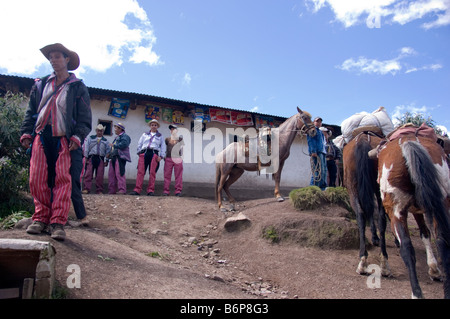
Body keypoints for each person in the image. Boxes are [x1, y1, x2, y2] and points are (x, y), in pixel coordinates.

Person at [20, 43, 91, 241]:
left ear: (67, 59)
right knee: (37, 177)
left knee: (62, 179)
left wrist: (78, 137)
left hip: (64, 139)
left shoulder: (78, 87)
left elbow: (85, 118)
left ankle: (58, 222)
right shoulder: (41, 84)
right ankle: (40, 218)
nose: (53, 60)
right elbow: (31, 110)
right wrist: (26, 132)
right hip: (41, 134)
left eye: (57, 56)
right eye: (50, 57)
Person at [129, 119, 166, 196]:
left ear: (157, 127)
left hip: (154, 153)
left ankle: (150, 190)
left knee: (152, 172)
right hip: (144, 153)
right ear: (150, 126)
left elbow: (163, 146)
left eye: (155, 125)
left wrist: (161, 156)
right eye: (152, 125)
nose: (154, 126)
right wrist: (139, 152)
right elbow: (140, 143)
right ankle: (137, 189)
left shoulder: (160, 136)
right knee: (140, 172)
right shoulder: (145, 134)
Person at [83, 124, 110, 194]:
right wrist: (86, 158)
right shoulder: (91, 138)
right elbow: (87, 148)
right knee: (88, 174)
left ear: (103, 131)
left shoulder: (105, 141)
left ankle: (99, 190)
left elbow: (108, 151)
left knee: (100, 175)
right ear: (96, 131)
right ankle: (86, 188)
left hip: (100, 158)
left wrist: (107, 160)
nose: (99, 132)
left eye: (101, 131)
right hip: (91, 157)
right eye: (98, 131)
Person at [107, 123, 131, 194]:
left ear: (120, 129)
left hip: (120, 157)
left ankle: (122, 189)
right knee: (111, 174)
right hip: (114, 156)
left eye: (116, 128)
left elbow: (124, 144)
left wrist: (115, 145)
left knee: (119, 173)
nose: (115, 130)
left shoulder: (125, 136)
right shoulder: (117, 137)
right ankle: (112, 190)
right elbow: (113, 148)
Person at [163, 124, 184, 196]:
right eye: (171, 129)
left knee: (178, 175)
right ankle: (166, 191)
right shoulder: (167, 139)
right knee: (167, 175)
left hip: (177, 158)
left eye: (174, 129)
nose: (172, 130)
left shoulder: (180, 139)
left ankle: (178, 191)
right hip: (169, 158)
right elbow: (164, 148)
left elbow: (182, 149)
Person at [307, 116, 327, 190]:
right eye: (317, 121)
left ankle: (322, 187)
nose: (319, 123)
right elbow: (311, 141)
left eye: (320, 122)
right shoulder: (313, 130)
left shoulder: (320, 132)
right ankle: (313, 187)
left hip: (322, 152)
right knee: (317, 170)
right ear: (314, 122)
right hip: (317, 152)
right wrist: (313, 151)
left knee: (324, 170)